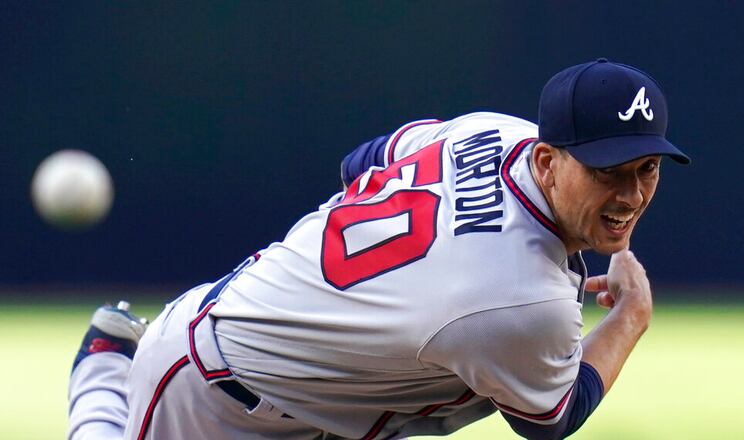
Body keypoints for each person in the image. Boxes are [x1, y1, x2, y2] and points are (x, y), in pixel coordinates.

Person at [67, 58, 690, 440]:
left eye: (648, 169)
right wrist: (631, 316)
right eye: (607, 171)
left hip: (320, 403)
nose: (631, 194)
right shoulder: (521, 305)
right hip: (215, 396)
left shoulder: (493, 132)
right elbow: (553, 419)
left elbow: (361, 161)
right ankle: (104, 366)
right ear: (549, 162)